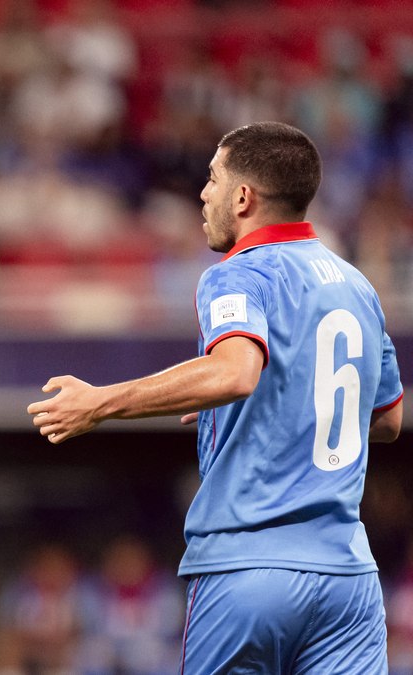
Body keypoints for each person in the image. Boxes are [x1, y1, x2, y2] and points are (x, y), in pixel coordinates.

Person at [27, 121, 403, 672]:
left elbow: (234, 373)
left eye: (212, 178)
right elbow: (387, 417)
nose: (203, 194)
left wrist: (99, 401)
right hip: (348, 581)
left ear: (244, 197)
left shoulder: (237, 274)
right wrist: (273, 408)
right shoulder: (357, 285)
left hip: (247, 568)